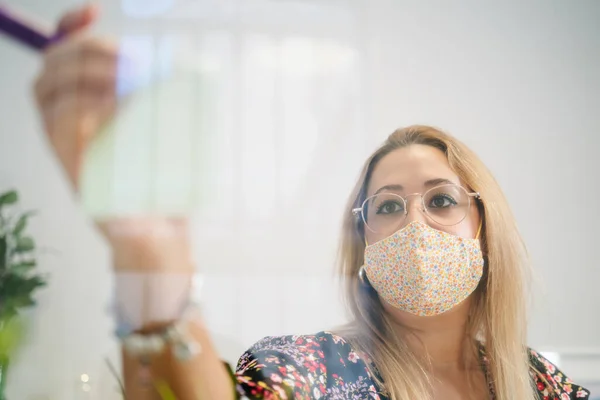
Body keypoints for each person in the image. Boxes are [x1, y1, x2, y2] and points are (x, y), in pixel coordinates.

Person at [33, 4, 591, 400]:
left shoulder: (543, 383)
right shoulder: (301, 373)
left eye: (441, 200)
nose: (414, 225)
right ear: (363, 242)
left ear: (484, 226)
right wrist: (150, 257)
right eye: (388, 207)